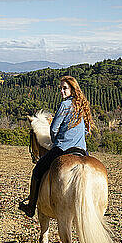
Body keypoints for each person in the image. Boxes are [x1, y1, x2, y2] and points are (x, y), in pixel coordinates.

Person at [19, 75, 94, 217]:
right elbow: (86, 130)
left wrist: (55, 141)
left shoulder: (65, 105)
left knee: (37, 170)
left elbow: (53, 129)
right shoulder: (82, 106)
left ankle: (30, 207)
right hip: (82, 150)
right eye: (60, 88)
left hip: (62, 148)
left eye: (65, 88)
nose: (62, 91)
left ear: (73, 89)